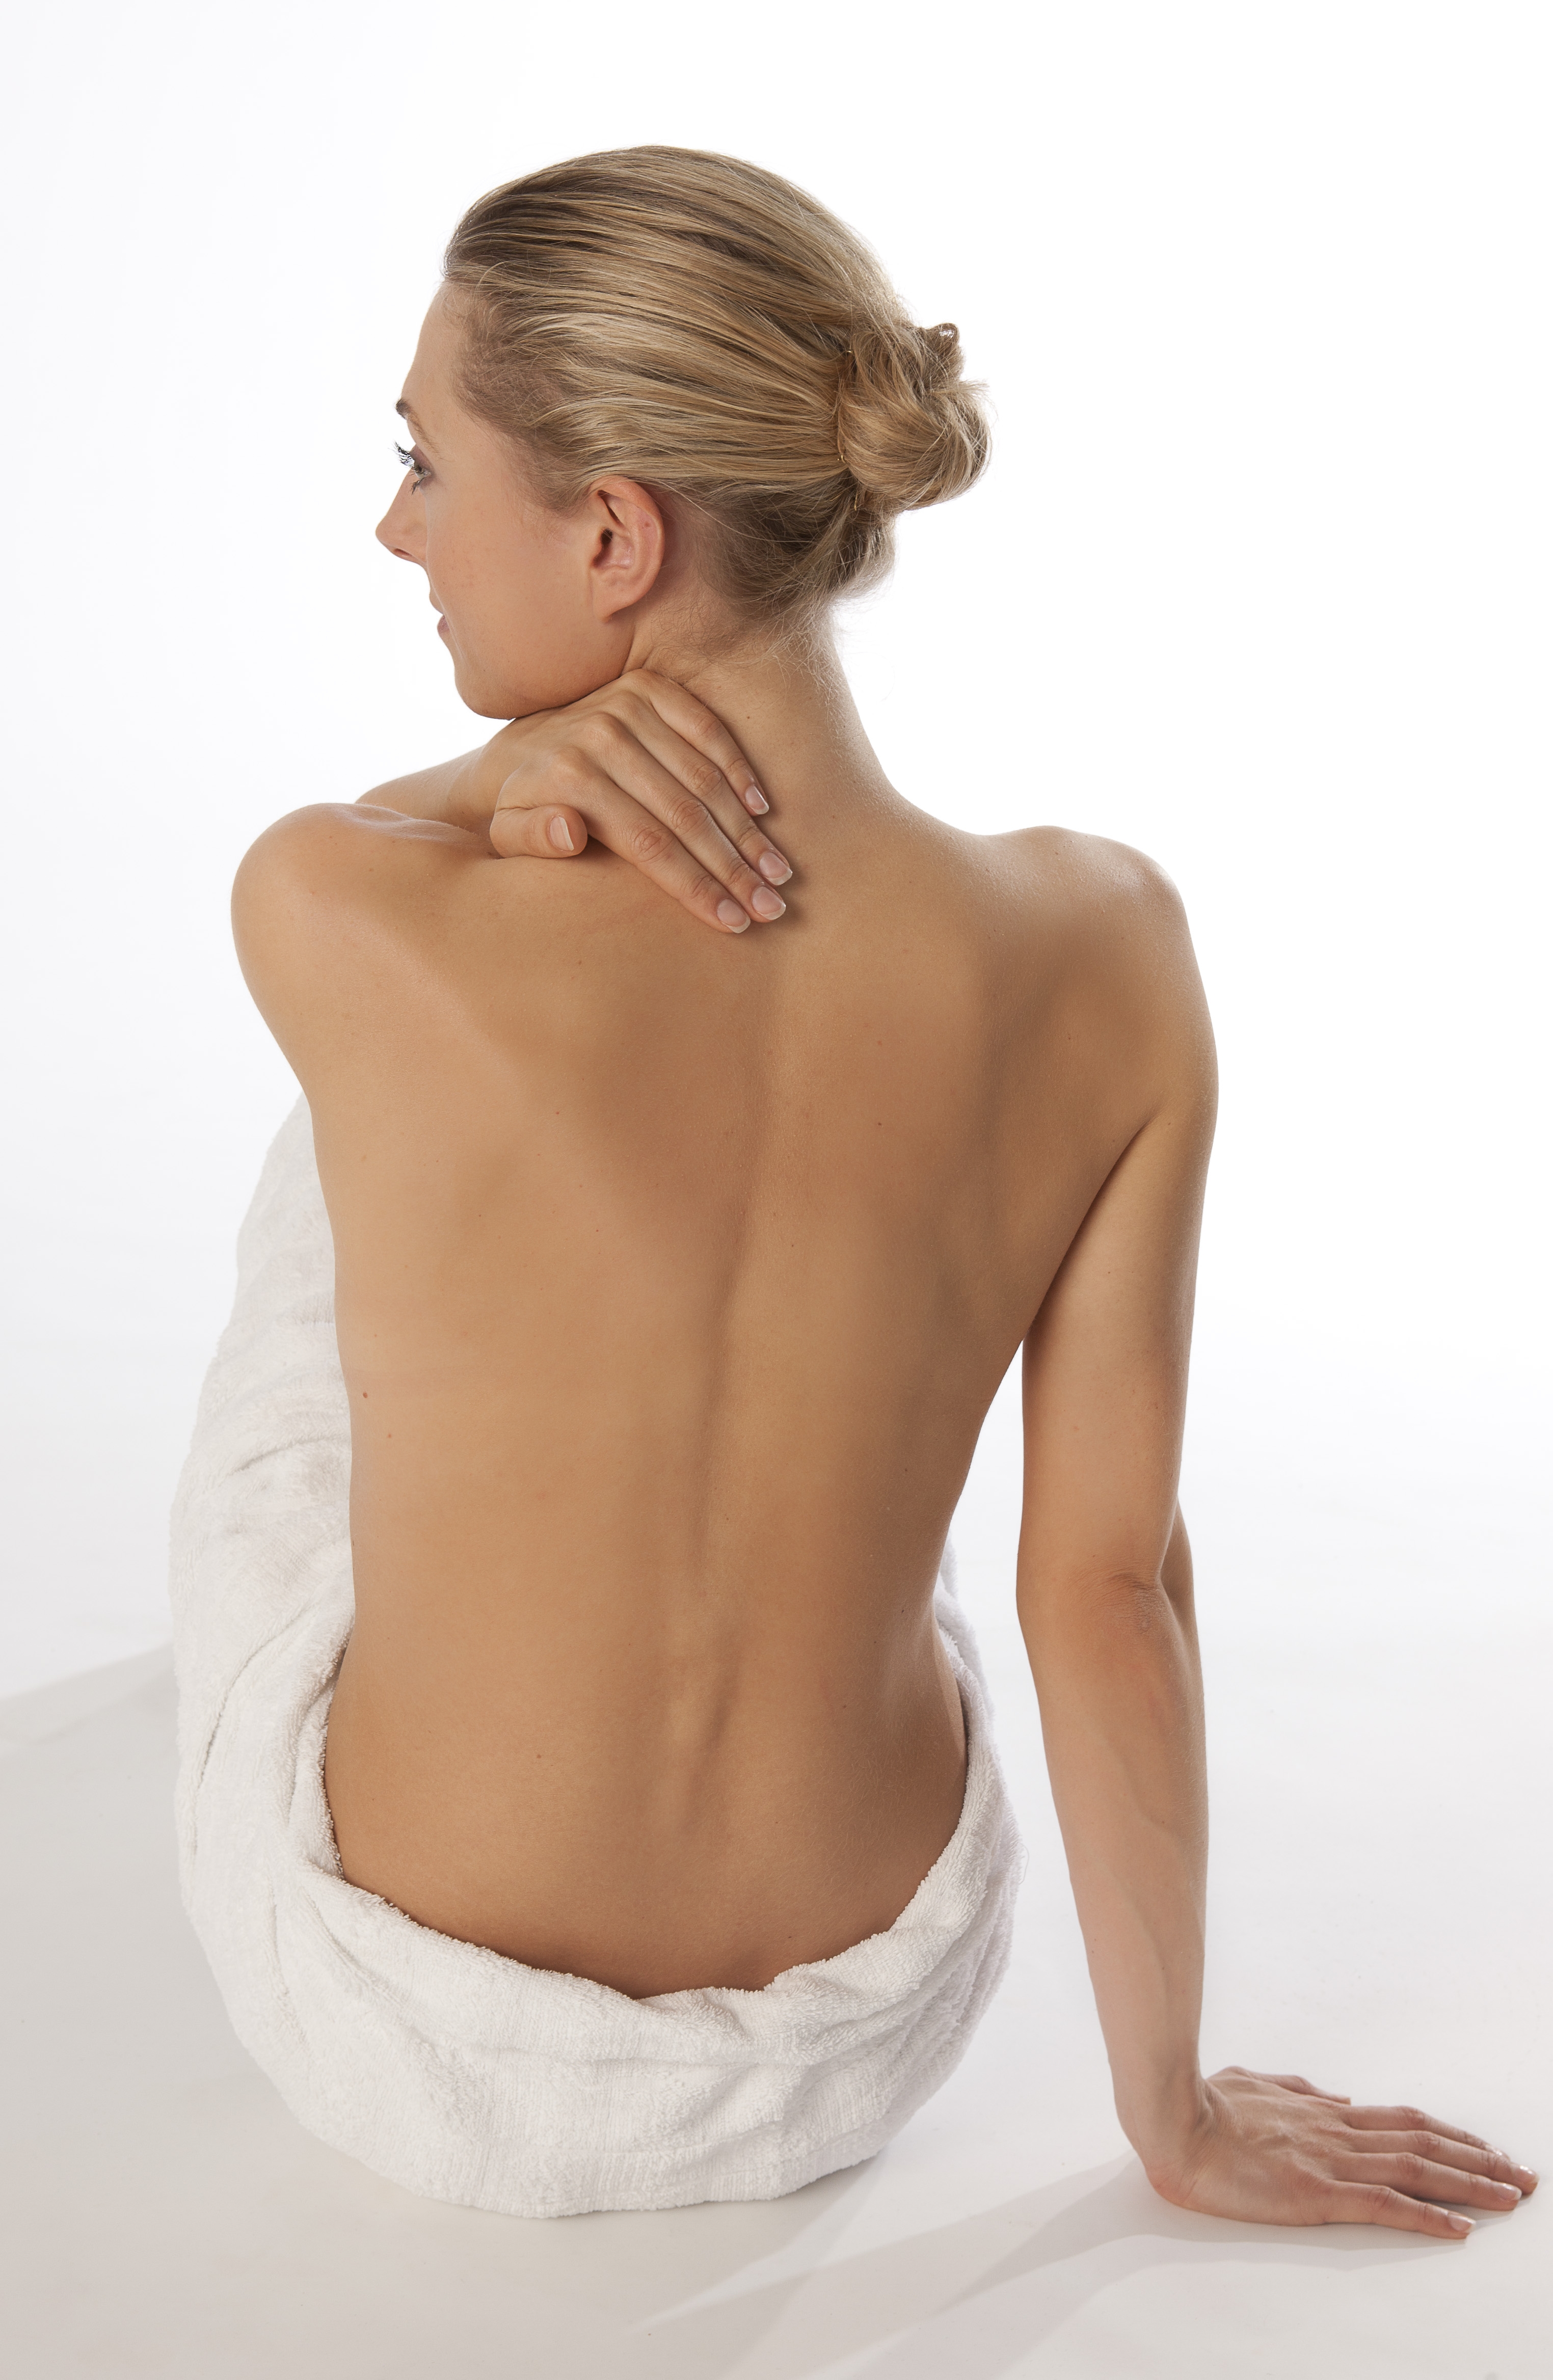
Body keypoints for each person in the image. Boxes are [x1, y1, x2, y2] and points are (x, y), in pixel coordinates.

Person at [171, 145, 1535, 2230]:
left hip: (411, 2023)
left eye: (424, 461)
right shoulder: (1112, 950)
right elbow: (1108, 1594)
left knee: (335, 1167)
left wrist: (488, 778)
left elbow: (371, 847)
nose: (397, 527)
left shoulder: (337, 903)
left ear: (614, 534)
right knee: (852, 1374)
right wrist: (1171, 2112)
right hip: (848, 2038)